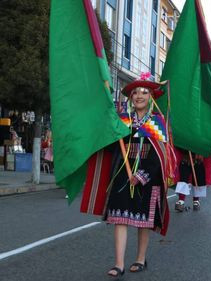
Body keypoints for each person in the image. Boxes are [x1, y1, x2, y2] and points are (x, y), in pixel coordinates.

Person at [80, 75, 174, 278]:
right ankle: (119, 263)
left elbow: (160, 155)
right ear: (130, 97)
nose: (139, 95)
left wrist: (141, 175)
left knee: (143, 222)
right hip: (122, 174)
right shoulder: (122, 119)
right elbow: (111, 145)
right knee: (120, 219)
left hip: (148, 178)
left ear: (151, 97)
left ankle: (140, 258)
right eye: (135, 92)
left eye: (144, 92)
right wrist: (108, 128)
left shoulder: (157, 121)